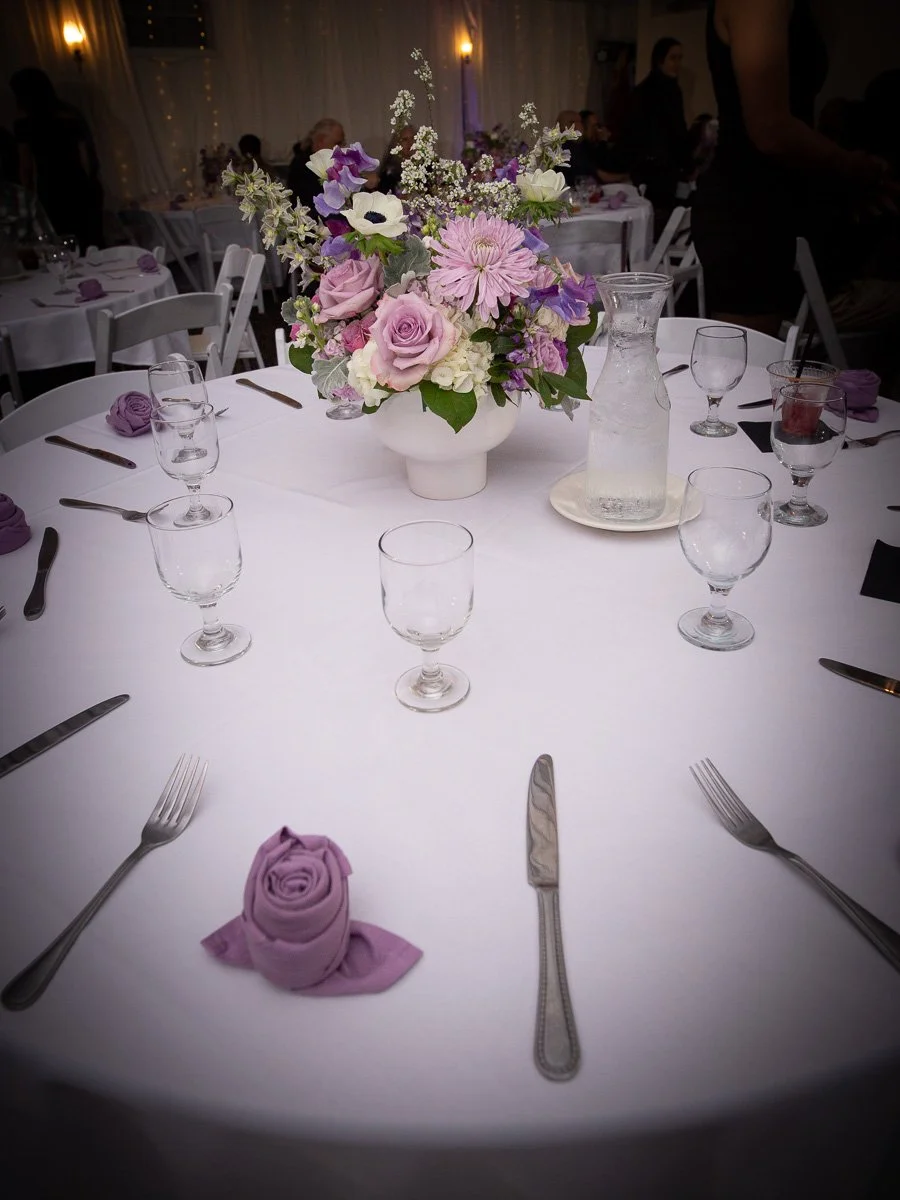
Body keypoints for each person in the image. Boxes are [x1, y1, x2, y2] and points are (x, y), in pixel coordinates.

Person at [691, 0, 893, 337]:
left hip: (771, 205)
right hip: (750, 207)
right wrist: (856, 168)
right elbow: (770, 128)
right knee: (746, 361)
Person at [10, 67, 102, 252]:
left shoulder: (24, 124)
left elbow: (26, 167)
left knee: (63, 240)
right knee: (90, 239)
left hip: (51, 186)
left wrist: (29, 196)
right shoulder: (70, 115)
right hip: (78, 182)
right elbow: (85, 157)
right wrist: (90, 182)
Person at [622, 38, 688, 220]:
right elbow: (636, 132)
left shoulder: (668, 90)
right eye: (673, 58)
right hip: (654, 169)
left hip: (661, 167)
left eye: (680, 58)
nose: (677, 64)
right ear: (660, 60)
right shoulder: (649, 92)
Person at [287, 117, 345, 213]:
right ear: (320, 141)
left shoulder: (324, 163)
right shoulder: (303, 167)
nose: (341, 148)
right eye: (337, 143)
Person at [570, 110, 630, 185]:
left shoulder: (593, 145)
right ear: (584, 127)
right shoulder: (581, 147)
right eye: (594, 126)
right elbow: (603, 171)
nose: (598, 130)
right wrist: (603, 141)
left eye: (598, 126)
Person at [374, 124, 416, 195]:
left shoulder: (426, 165)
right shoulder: (389, 171)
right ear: (397, 144)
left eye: (413, 138)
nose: (410, 143)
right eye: (405, 139)